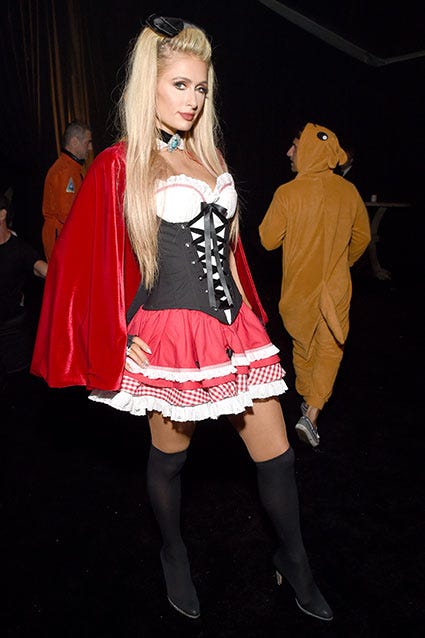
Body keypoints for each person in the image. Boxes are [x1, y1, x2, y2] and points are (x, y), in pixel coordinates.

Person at [31, 16, 333, 622]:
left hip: (235, 330)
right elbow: (76, 263)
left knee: (278, 456)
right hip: (169, 332)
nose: (192, 99)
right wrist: (116, 332)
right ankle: (173, 552)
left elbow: (231, 254)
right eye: (179, 85)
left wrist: (250, 318)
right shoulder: (120, 163)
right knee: (170, 459)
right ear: (150, 84)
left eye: (200, 87)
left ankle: (294, 560)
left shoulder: (208, 154)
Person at [259, 123, 371, 448]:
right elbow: (362, 237)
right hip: (336, 286)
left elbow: (267, 240)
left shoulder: (287, 193)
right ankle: (312, 407)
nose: (289, 153)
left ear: (308, 149)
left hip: (299, 289)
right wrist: (342, 263)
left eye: (295, 146)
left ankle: (310, 407)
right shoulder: (348, 192)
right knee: (329, 347)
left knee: (305, 347)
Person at [0, 193, 47, 396]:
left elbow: (43, 270)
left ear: (2, 214)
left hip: (13, 330)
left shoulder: (19, 248)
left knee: (19, 389)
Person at [41, 119, 93, 260]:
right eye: (87, 142)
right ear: (75, 141)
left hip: (67, 234)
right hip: (62, 236)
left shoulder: (73, 169)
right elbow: (66, 213)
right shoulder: (64, 171)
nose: (90, 148)